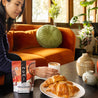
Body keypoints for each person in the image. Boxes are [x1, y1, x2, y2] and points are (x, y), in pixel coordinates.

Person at [0, 0, 59, 93]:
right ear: (4, 2)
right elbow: (2, 63)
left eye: (21, 6)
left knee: (16, 58)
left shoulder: (3, 23)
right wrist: (34, 70)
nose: (20, 9)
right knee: (18, 63)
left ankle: (16, 91)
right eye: (17, 4)